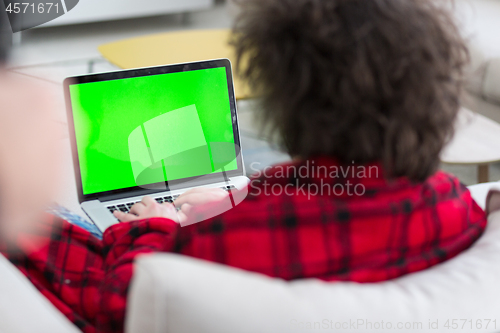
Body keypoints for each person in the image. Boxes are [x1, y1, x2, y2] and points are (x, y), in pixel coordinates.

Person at [0, 0, 487, 332]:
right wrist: (239, 199)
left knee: (47, 215)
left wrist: (150, 228)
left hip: (105, 279)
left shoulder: (219, 253)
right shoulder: (458, 205)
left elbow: (126, 302)